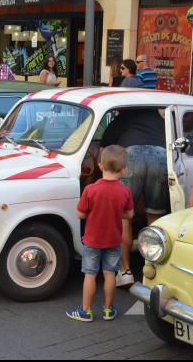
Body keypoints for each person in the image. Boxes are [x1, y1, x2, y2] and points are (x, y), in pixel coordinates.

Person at [100, 106, 168, 287]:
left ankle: (125, 271)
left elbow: (104, 150)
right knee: (155, 216)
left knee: (124, 218)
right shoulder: (160, 120)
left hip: (130, 156)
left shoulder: (123, 117)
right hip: (160, 156)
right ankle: (154, 269)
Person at [66, 145, 134, 322]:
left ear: (100, 165)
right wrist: (116, 213)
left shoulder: (90, 189)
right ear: (123, 169)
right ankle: (108, 310)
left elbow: (80, 214)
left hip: (92, 240)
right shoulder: (125, 191)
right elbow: (129, 215)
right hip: (114, 240)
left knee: (90, 274)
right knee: (110, 274)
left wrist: (93, 212)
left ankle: (86, 311)